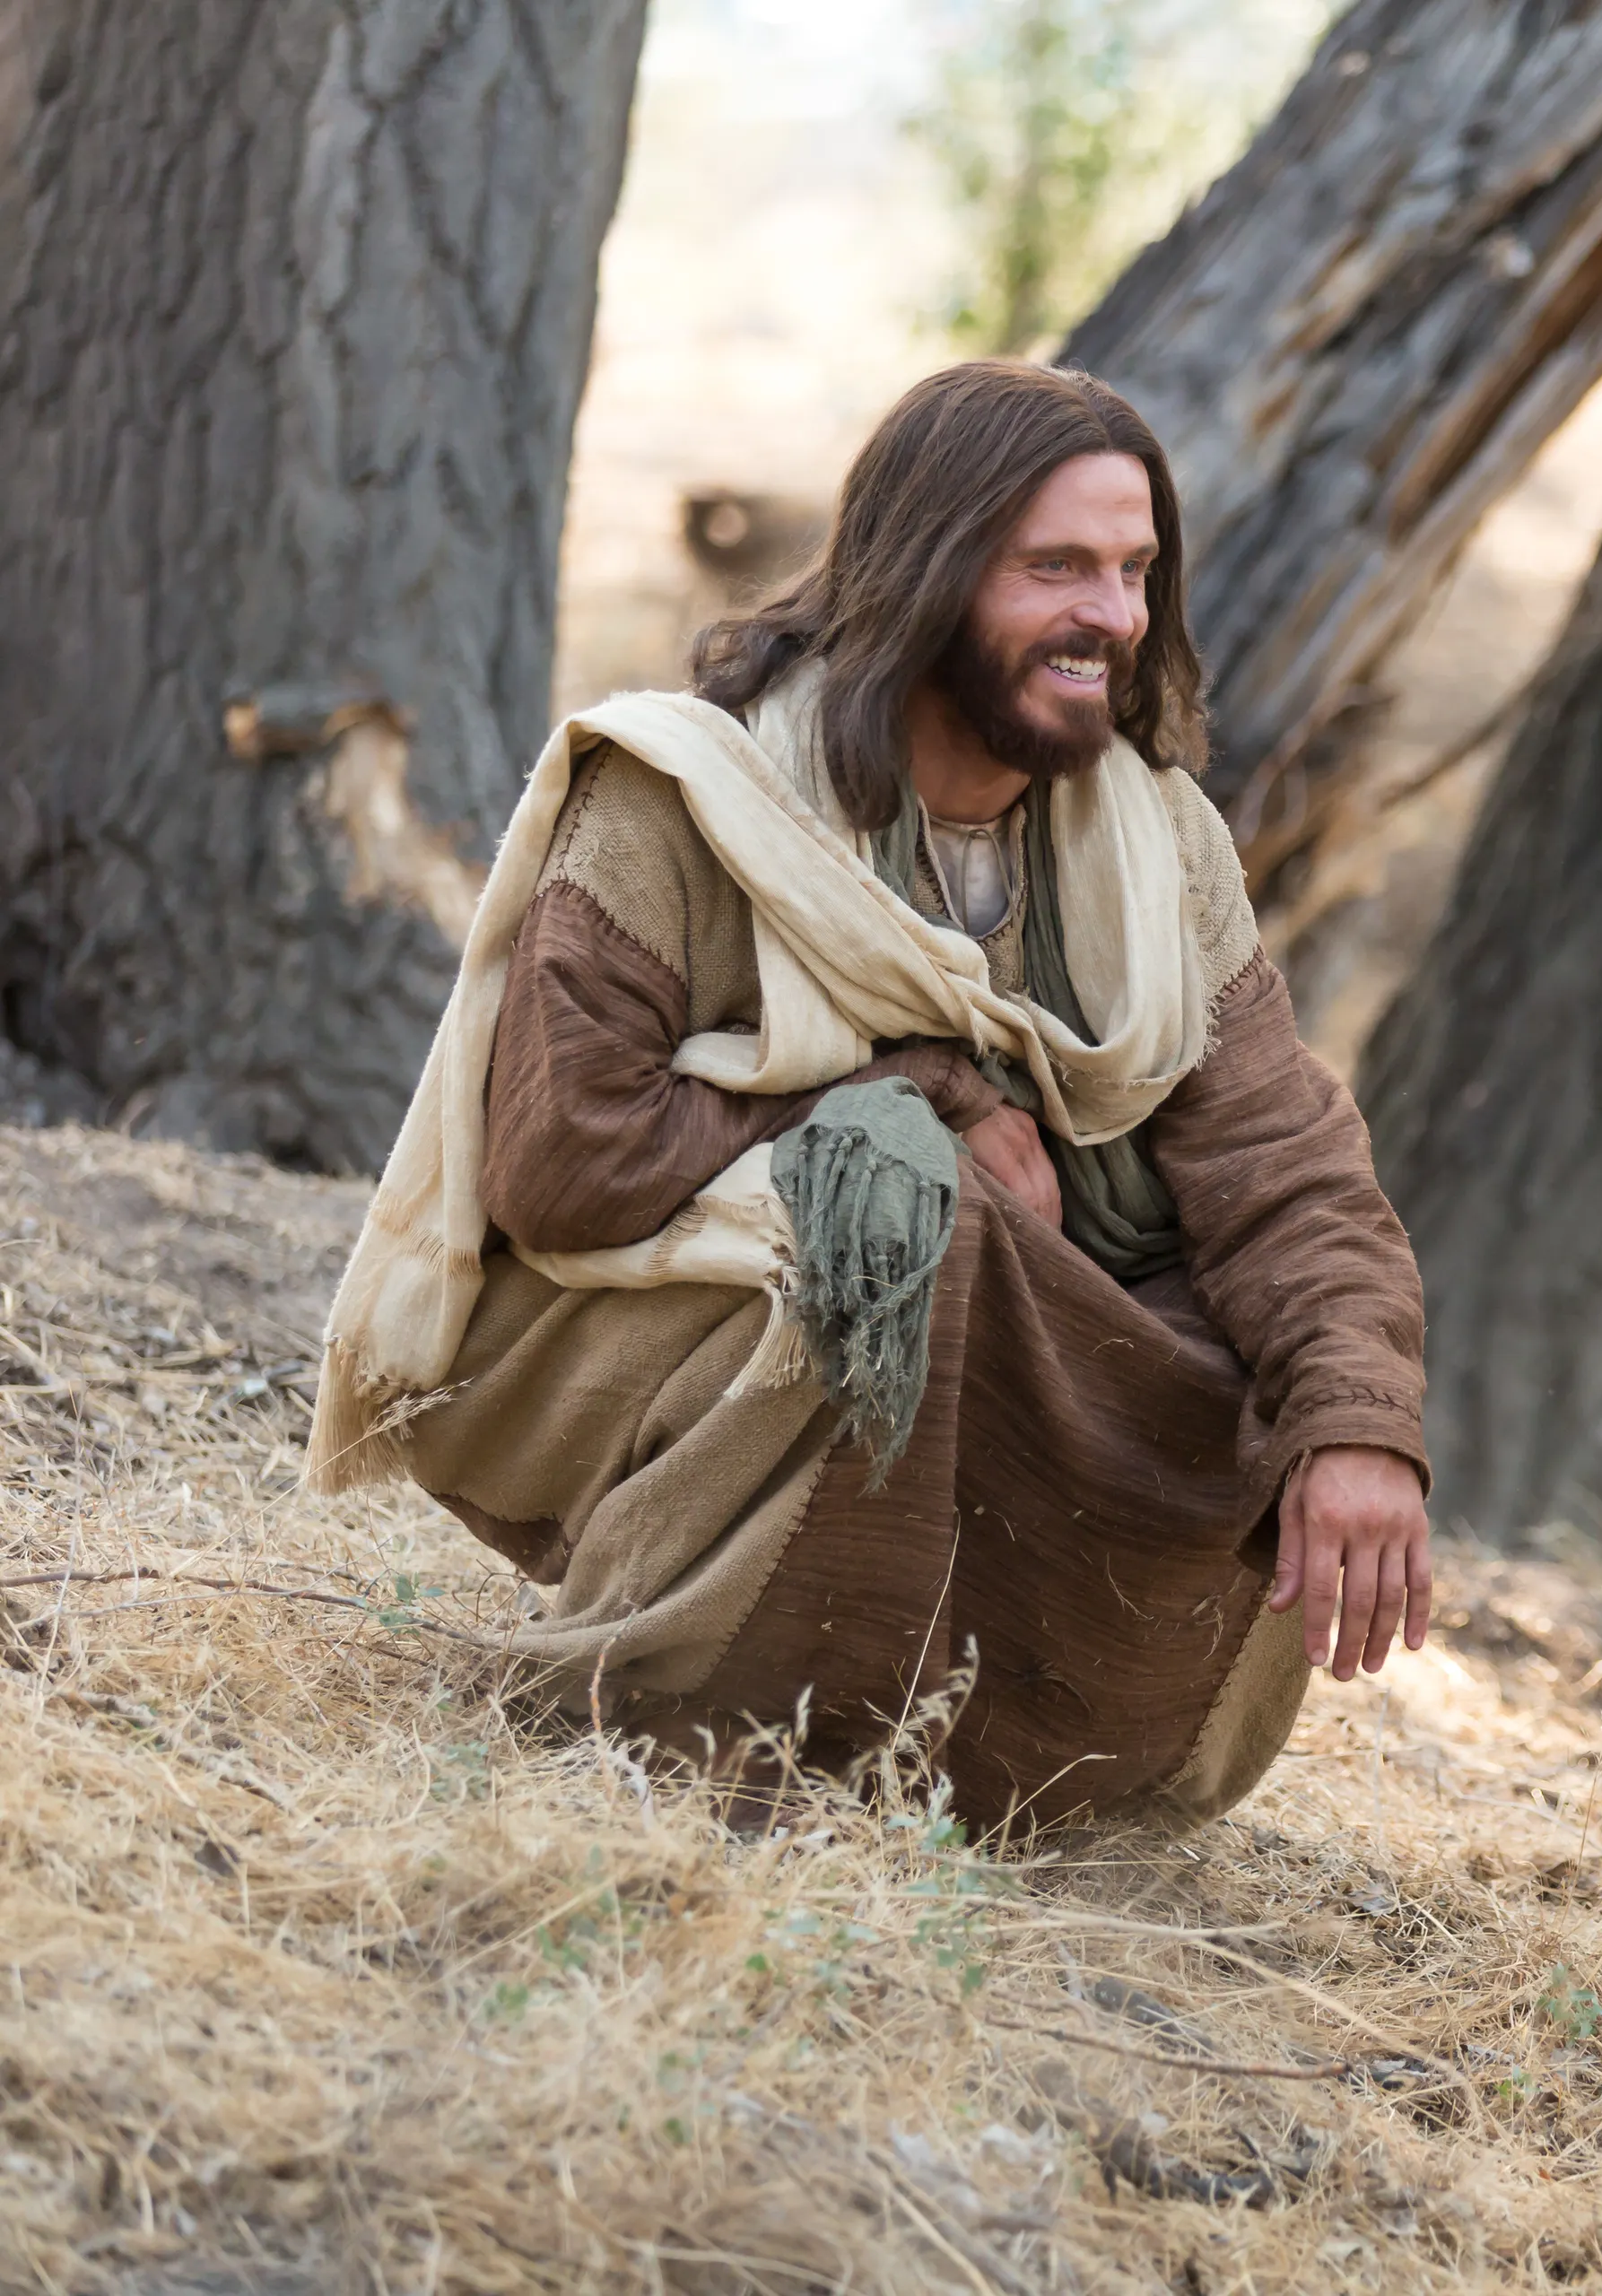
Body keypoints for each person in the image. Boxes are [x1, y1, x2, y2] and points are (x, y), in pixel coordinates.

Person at [309, 363, 1434, 1828]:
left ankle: (1019, 1788)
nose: (1113, 616)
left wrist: (1357, 1422)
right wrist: (913, 1096)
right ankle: (690, 1716)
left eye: (1137, 569)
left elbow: (1286, 1168)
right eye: (1058, 569)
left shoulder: (1160, 848)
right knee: (892, 1193)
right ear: (931, 569)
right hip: (653, 1326)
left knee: (1274, 1375)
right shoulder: (691, 802)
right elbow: (560, 1158)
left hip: (1006, 1329)